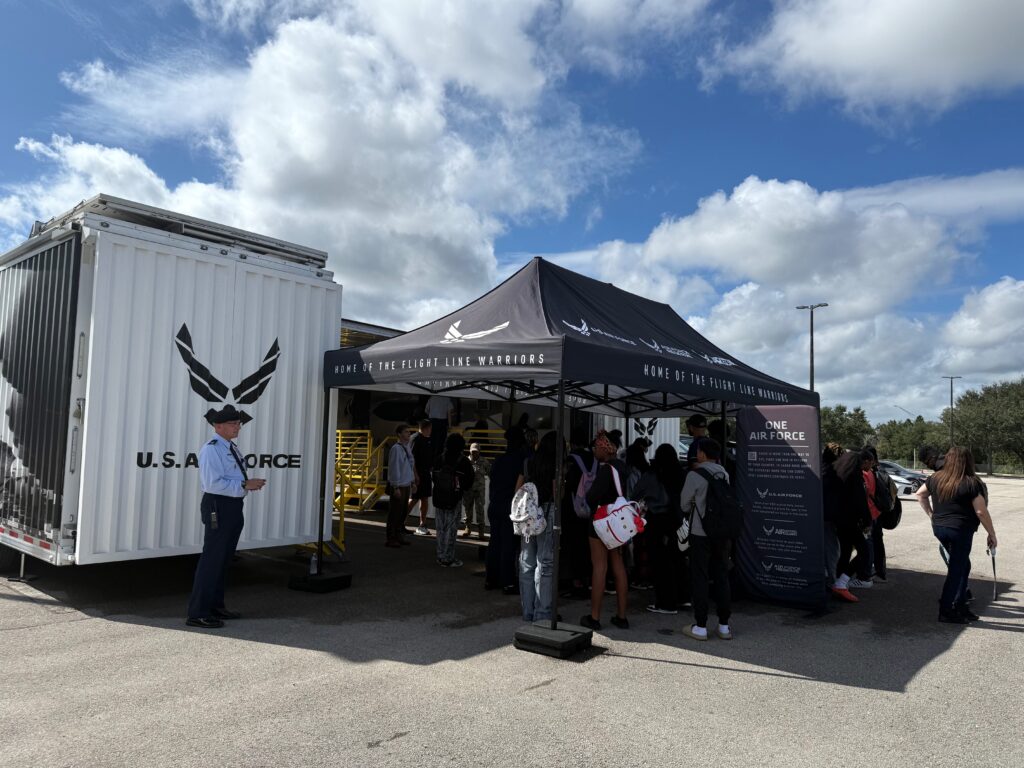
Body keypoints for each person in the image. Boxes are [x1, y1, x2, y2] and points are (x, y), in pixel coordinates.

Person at [186, 405, 266, 629]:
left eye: (238, 423)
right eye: (233, 424)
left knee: (223, 559)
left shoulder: (229, 447)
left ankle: (215, 606)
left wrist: (245, 486)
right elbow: (213, 484)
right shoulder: (212, 449)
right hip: (218, 506)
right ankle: (198, 612)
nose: (237, 427)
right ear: (218, 426)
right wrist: (244, 484)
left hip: (231, 505)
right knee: (212, 559)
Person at [916, 447, 997, 623]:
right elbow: (981, 511)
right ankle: (946, 610)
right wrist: (992, 534)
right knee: (956, 570)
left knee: (963, 566)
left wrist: (932, 515)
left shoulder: (936, 478)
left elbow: (920, 494)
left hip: (940, 529)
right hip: (960, 530)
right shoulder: (971, 482)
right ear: (968, 461)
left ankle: (961, 606)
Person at [679, 439, 732, 640]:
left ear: (701, 454)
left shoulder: (694, 474)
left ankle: (700, 626)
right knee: (721, 576)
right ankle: (724, 626)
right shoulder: (723, 473)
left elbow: (684, 504)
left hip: (700, 532)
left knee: (699, 577)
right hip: (722, 533)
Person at [581, 429, 630, 631]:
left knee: (599, 567)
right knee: (618, 566)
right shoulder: (622, 468)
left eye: (596, 447)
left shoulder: (606, 469)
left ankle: (595, 617)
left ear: (605, 447)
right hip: (619, 525)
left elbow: (592, 497)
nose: (594, 450)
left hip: (602, 524)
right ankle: (621, 616)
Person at [632, 443, 685, 614]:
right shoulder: (680, 474)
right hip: (676, 521)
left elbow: (636, 494)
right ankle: (683, 597)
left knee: (660, 562)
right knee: (678, 560)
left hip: (656, 521)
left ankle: (665, 602)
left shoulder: (651, 475)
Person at [516, 431, 561, 621]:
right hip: (547, 511)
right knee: (545, 563)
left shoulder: (528, 462)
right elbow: (557, 493)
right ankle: (542, 612)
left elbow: (517, 490)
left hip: (527, 514)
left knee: (526, 562)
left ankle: (527, 611)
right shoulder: (554, 465)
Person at [486, 428, 527, 593]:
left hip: (495, 504)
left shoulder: (498, 459)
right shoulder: (521, 461)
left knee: (494, 542)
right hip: (510, 506)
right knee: (508, 545)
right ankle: (508, 582)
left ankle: (491, 579)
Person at [832, 449, 874, 593]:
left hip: (839, 521)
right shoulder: (856, 477)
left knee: (845, 552)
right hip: (852, 522)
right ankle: (842, 581)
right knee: (865, 551)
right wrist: (867, 521)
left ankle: (837, 580)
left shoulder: (838, 476)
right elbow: (861, 502)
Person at [561, 426, 595, 599]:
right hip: (590, 509)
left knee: (572, 546)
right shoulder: (593, 458)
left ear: (572, 443)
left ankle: (575, 582)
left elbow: (568, 485)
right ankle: (587, 579)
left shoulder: (572, 460)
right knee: (587, 546)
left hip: (572, 509)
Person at [432, 433, 474, 568]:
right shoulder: (463, 461)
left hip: (439, 497)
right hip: (454, 499)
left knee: (440, 528)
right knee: (451, 529)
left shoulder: (440, 459)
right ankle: (448, 558)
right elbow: (469, 482)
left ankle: (440, 555)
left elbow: (434, 477)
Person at [820, 443, 853, 602]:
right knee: (832, 549)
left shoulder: (818, 469)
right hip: (830, 517)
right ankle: (832, 580)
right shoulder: (835, 473)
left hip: (817, 515)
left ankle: (827, 576)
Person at [385, 424, 416, 548]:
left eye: (409, 431)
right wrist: (396, 486)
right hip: (399, 485)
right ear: (399, 434)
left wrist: (412, 482)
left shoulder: (406, 447)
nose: (408, 434)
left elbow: (408, 467)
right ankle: (391, 538)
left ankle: (398, 535)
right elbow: (394, 468)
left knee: (402, 512)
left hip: (405, 484)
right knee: (395, 512)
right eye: (406, 432)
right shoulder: (396, 449)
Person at [408, 420, 434, 535]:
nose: (431, 431)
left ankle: (422, 524)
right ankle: (400, 521)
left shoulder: (427, 439)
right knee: (413, 498)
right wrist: (415, 475)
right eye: (430, 428)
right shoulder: (415, 439)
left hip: (426, 473)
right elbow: (411, 459)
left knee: (425, 498)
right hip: (417, 474)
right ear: (425, 428)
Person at [462, 443, 491, 538]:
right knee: (467, 509)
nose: (474, 453)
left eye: (476, 451)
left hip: (479, 490)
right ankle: (467, 528)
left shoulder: (484, 462)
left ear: (479, 451)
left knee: (480, 510)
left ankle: (481, 531)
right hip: (468, 490)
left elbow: (490, 473)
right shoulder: (466, 461)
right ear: (470, 451)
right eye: (472, 451)